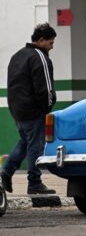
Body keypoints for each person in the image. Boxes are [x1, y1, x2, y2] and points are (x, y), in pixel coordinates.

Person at [0, 23, 57, 195]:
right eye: (50, 43)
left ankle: (6, 171)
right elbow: (46, 88)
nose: (52, 47)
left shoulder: (17, 55)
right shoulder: (40, 57)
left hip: (17, 110)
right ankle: (34, 183)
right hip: (34, 111)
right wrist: (47, 107)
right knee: (36, 146)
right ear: (41, 40)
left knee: (25, 142)